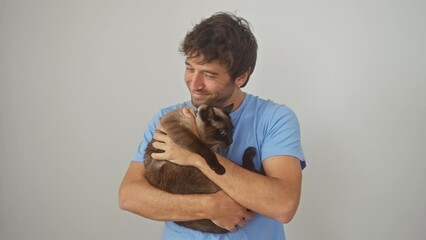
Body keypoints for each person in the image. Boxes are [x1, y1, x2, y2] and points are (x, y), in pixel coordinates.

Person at [119, 12, 306, 240]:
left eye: (208, 74)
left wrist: (195, 156)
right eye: (190, 68)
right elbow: (130, 196)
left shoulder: (275, 118)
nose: (194, 84)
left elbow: (283, 205)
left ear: (241, 76)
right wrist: (209, 206)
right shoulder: (167, 118)